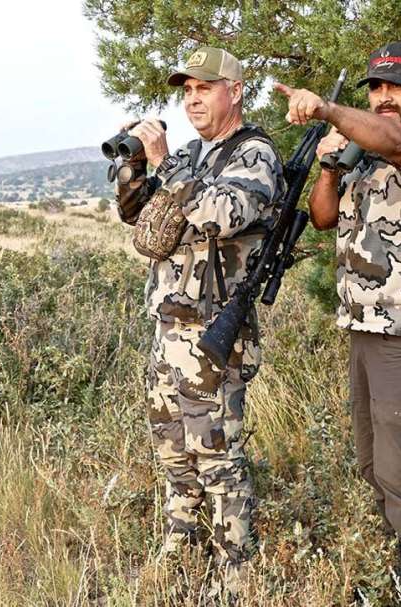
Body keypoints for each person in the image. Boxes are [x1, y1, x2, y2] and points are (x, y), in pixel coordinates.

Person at [275, 41, 401, 606]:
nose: (384, 97)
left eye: (397, 85)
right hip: (367, 328)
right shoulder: (364, 152)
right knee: (377, 465)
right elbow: (322, 216)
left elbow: (398, 143)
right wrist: (328, 161)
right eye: (376, 87)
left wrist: (328, 111)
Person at [114, 46, 285, 599]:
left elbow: (221, 215)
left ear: (235, 91)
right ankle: (180, 543)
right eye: (186, 90)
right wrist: (134, 168)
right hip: (169, 327)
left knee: (215, 451)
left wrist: (167, 167)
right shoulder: (193, 154)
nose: (192, 99)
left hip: (214, 331)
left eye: (204, 88)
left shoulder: (253, 154)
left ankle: (238, 563)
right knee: (171, 445)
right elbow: (143, 225)